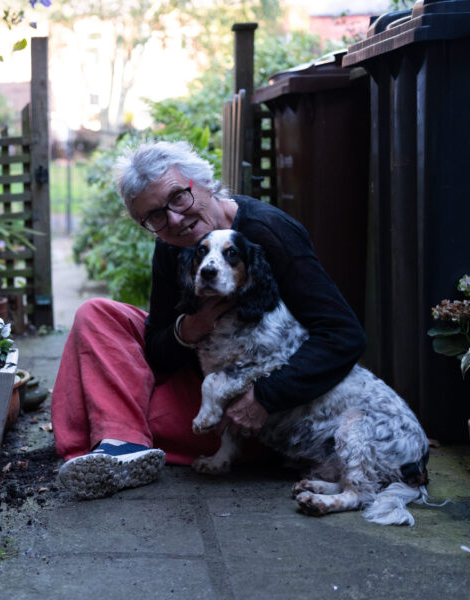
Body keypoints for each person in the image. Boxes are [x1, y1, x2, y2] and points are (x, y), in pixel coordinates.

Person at [52, 140, 366, 499]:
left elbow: (343, 335)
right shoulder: (171, 244)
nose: (173, 219)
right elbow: (157, 348)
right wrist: (189, 328)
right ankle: (123, 446)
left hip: (257, 415)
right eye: (154, 216)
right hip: (205, 382)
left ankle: (116, 436)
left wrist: (265, 398)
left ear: (202, 182)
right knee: (96, 313)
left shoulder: (269, 232)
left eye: (177, 197)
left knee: (108, 403)